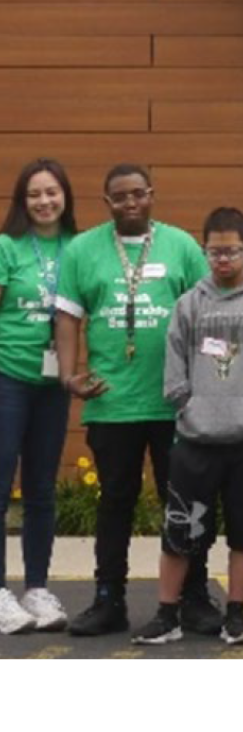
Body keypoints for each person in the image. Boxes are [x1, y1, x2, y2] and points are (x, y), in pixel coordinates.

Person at [55, 163, 217, 637]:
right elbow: (67, 318)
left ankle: (194, 596)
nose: (130, 204)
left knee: (186, 503)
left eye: (138, 195)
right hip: (113, 402)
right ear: (106, 203)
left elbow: (206, 313)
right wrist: (68, 376)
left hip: (175, 403)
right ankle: (109, 599)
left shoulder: (182, 245)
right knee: (115, 503)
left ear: (152, 195)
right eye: (119, 197)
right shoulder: (84, 250)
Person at [132, 207, 243, 646]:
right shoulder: (189, 304)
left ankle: (237, 614)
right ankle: (168, 613)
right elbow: (173, 369)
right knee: (180, 531)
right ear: (204, 250)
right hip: (194, 438)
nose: (223, 260)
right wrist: (188, 406)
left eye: (232, 251)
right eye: (214, 252)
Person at [0, 160, 78, 635]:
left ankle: (37, 589)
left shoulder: (81, 248)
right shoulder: (7, 247)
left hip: (55, 383)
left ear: (65, 196)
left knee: (42, 491)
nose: (44, 201)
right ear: (21, 201)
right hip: (7, 377)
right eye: (34, 194)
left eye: (52, 192)